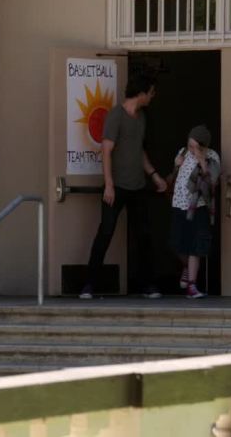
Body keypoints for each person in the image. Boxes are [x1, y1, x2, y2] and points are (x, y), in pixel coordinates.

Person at [80, 75, 167, 300]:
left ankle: (148, 285)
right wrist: (109, 185)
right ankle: (89, 284)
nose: (152, 96)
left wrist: (154, 175)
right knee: (105, 233)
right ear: (142, 92)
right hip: (117, 186)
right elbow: (106, 150)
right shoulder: (116, 115)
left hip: (138, 186)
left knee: (144, 235)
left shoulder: (142, 118)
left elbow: (139, 151)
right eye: (151, 92)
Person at [170, 125, 221, 299]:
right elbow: (175, 175)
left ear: (203, 146)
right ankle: (186, 267)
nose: (191, 149)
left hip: (198, 206)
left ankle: (192, 285)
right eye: (189, 145)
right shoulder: (183, 152)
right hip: (178, 203)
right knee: (176, 243)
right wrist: (176, 164)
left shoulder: (212, 156)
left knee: (195, 246)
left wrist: (201, 160)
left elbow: (212, 181)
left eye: (195, 147)